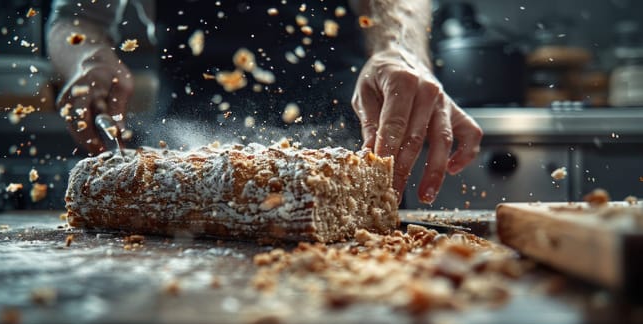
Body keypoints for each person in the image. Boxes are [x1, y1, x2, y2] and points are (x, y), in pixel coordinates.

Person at [46, 0, 482, 205]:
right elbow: (76, 16)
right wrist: (88, 56)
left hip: (344, 166)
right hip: (187, 173)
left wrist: (398, 47)